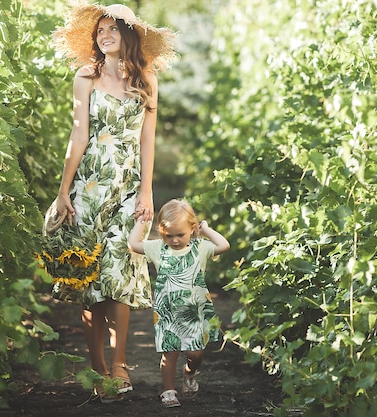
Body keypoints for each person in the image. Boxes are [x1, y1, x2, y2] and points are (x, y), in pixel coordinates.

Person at [50, 2, 176, 403]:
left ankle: (120, 363)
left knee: (120, 267)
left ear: (128, 36)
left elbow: (146, 140)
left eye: (113, 30)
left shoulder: (147, 80)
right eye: (100, 31)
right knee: (90, 280)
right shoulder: (84, 77)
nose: (104, 36)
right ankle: (97, 367)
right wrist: (63, 190)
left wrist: (147, 193)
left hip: (128, 188)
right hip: (89, 187)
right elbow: (78, 136)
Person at [128, 199, 230, 408]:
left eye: (180, 235)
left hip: (194, 311)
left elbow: (224, 245)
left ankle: (190, 372)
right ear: (161, 232)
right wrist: (141, 221)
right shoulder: (158, 248)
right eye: (168, 235)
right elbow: (133, 244)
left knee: (196, 353)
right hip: (168, 312)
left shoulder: (200, 247)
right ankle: (168, 391)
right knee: (169, 353)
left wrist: (206, 230)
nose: (174, 240)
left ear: (192, 229)